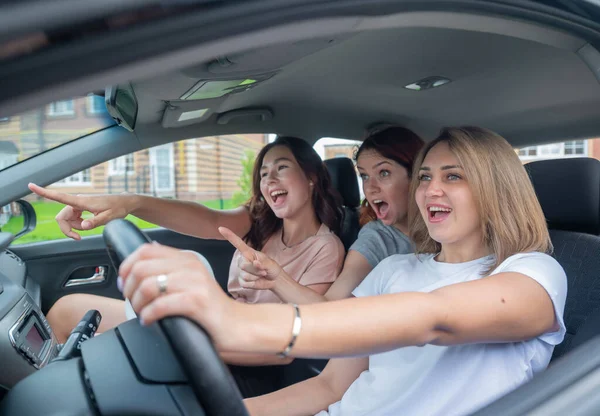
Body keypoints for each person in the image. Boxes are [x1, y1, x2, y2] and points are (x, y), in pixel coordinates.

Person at [119, 126, 568, 416]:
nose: (431, 187)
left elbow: (434, 316)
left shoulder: (535, 273)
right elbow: (329, 387)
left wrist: (235, 321)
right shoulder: (393, 267)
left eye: (453, 176)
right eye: (426, 176)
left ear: (495, 189)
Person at [28, 136, 345, 396]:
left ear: (311, 178)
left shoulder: (326, 248)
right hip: (212, 324)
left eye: (281, 167)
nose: (269, 179)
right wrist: (130, 203)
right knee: (66, 312)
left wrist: (193, 341)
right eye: (263, 173)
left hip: (247, 360)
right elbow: (208, 219)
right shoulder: (260, 222)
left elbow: (295, 341)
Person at [225, 126, 424, 304]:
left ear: (418, 174)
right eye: (364, 176)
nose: (370, 188)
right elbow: (329, 307)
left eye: (384, 173)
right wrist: (277, 279)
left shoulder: (446, 228)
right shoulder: (376, 238)